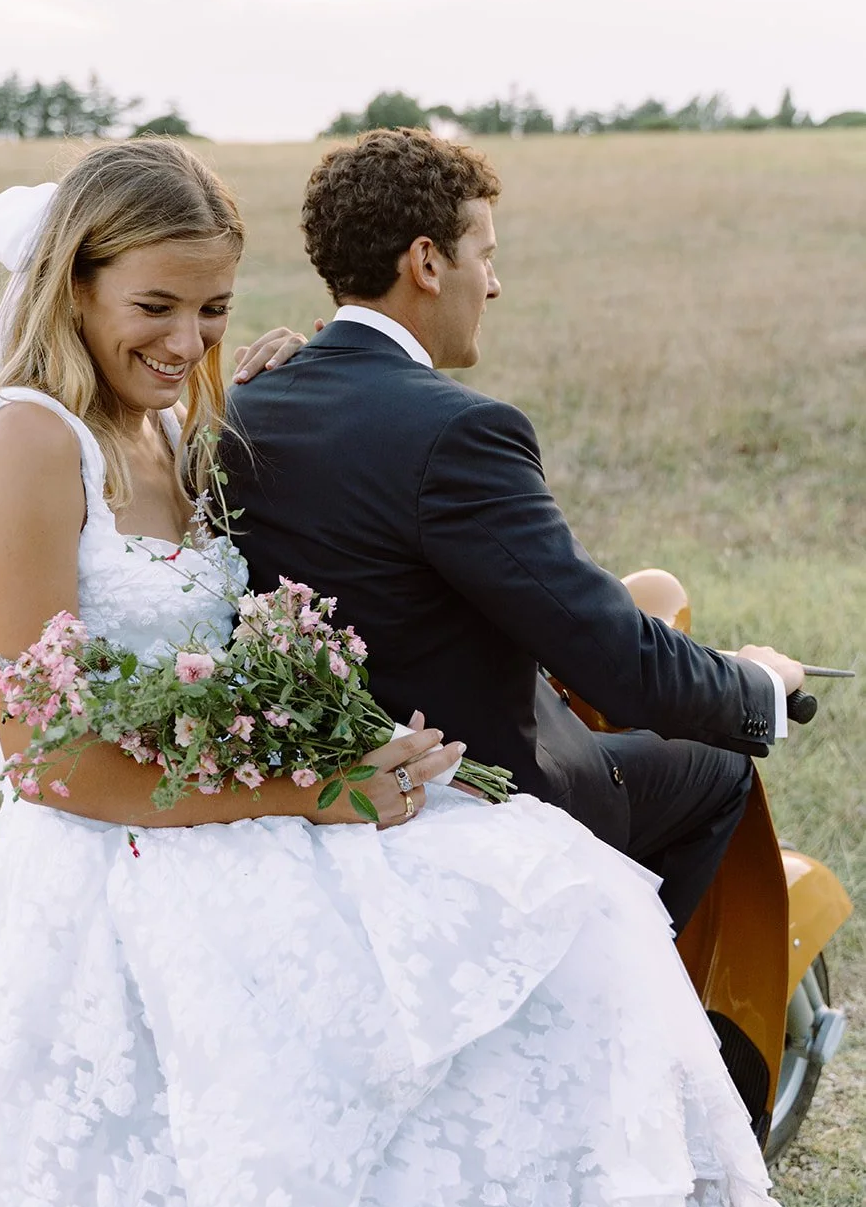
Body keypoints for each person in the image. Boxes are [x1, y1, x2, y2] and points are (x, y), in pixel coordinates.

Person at [0, 138, 857, 1207]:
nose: (184, 340)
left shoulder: (172, 425)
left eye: (210, 309)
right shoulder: (28, 440)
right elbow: (47, 758)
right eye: (152, 305)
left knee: (560, 893)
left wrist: (232, 394)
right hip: (124, 854)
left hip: (232, 810)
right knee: (567, 905)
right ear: (72, 285)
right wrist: (310, 788)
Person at [223, 127, 799, 938]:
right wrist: (758, 685)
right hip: (485, 791)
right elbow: (618, 664)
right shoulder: (460, 431)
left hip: (322, 783)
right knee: (715, 769)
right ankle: (628, 996)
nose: (492, 284)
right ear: (426, 263)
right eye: (483, 255)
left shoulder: (246, 401)